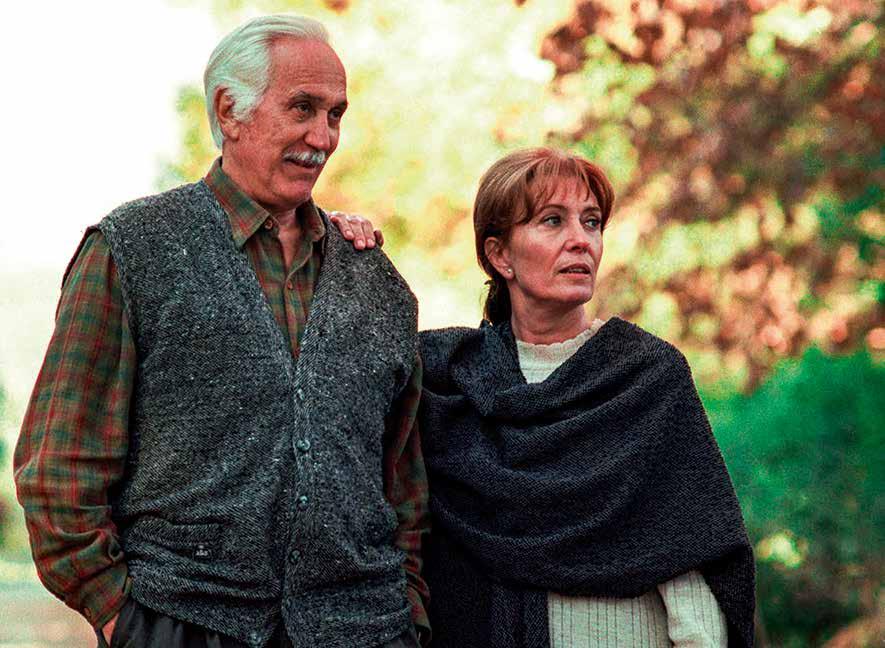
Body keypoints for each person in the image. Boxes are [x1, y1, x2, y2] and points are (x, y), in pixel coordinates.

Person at [14, 14, 429, 648]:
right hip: (183, 624)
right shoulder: (134, 249)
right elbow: (60, 469)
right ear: (229, 110)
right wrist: (124, 620)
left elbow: (404, 482)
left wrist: (409, 610)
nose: (323, 137)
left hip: (366, 629)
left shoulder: (374, 278)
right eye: (302, 108)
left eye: (335, 115)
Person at [411, 148, 754, 646]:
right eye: (553, 221)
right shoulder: (449, 386)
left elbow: (690, 560)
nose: (581, 240)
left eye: (591, 222)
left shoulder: (645, 379)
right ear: (500, 255)